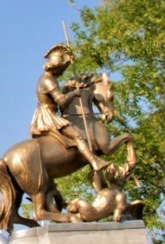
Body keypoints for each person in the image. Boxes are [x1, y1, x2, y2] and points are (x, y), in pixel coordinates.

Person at [30, 44, 109, 172]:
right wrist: (74, 93)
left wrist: (69, 60)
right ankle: (95, 163)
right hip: (48, 116)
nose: (62, 72)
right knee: (78, 135)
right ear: (56, 68)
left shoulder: (47, 77)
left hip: (48, 113)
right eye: (61, 69)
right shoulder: (48, 80)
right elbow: (61, 101)